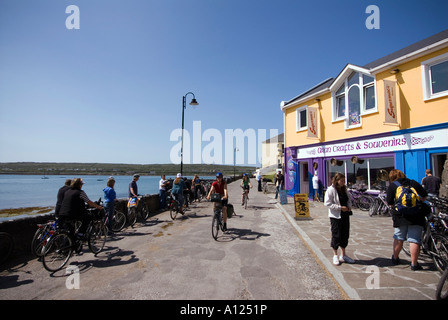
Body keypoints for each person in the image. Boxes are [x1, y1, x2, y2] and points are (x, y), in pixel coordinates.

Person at [386, 169, 428, 270]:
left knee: (399, 237)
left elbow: (389, 201)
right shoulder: (413, 183)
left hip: (400, 216)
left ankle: (395, 258)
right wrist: (417, 203)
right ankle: (414, 264)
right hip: (416, 215)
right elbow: (424, 195)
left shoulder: (393, 186)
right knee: (414, 240)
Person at [324, 173, 355, 265]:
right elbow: (327, 203)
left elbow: (348, 199)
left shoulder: (344, 189)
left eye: (344, 181)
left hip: (345, 215)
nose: (343, 182)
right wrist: (340, 207)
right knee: (336, 235)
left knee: (345, 235)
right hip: (335, 216)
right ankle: (335, 255)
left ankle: (343, 255)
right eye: (341, 181)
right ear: (337, 180)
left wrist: (349, 206)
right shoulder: (331, 190)